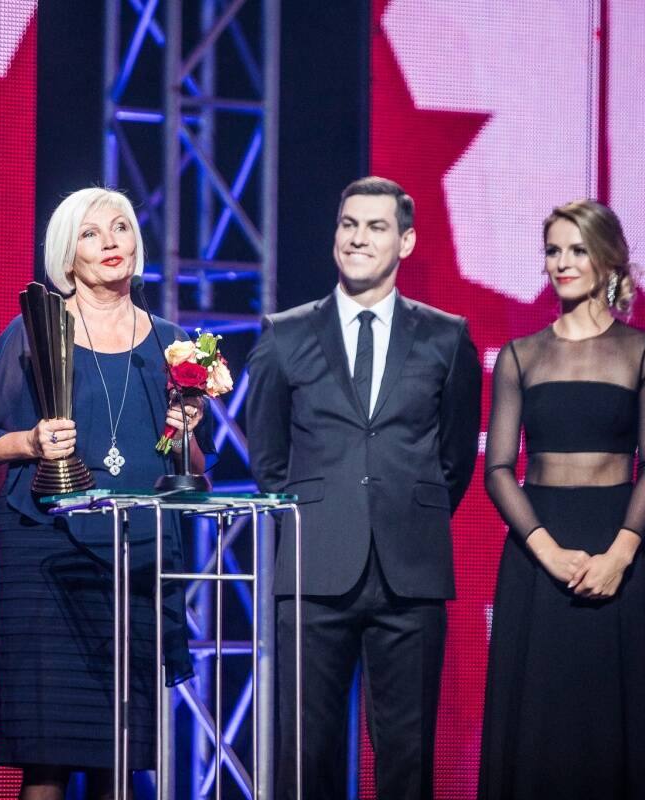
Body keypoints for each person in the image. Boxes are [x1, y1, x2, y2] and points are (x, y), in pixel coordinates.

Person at [0, 187, 212, 800]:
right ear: (67, 256)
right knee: (48, 762)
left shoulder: (172, 344)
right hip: (48, 557)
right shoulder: (33, 332)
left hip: (134, 560)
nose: (111, 242)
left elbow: (194, 469)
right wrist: (30, 441)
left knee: (122, 760)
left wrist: (185, 431)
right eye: (91, 234)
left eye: (121, 228)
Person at [246, 177, 482, 799]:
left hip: (411, 571)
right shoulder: (285, 334)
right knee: (305, 757)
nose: (357, 238)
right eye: (348, 224)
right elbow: (267, 455)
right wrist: (320, 516)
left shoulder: (447, 337)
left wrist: (405, 512)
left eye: (376, 227)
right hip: (313, 569)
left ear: (406, 241)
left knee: (408, 759)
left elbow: (455, 460)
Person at [478, 199, 645, 798]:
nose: (562, 262)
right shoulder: (520, 356)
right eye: (553, 250)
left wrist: (620, 556)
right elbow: (498, 470)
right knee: (539, 726)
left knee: (618, 726)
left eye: (577, 250)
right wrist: (548, 552)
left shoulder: (644, 352)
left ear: (608, 260)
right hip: (538, 558)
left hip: (618, 555)